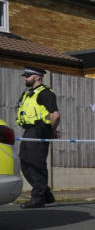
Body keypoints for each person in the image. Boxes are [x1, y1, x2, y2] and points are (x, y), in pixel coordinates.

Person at [16, 66, 60, 208]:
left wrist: (51, 131)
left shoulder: (45, 93)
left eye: (28, 75)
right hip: (29, 130)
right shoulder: (28, 93)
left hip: (40, 129)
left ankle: (38, 198)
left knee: (36, 164)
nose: (25, 78)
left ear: (36, 77)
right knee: (24, 161)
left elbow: (55, 115)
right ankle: (45, 193)